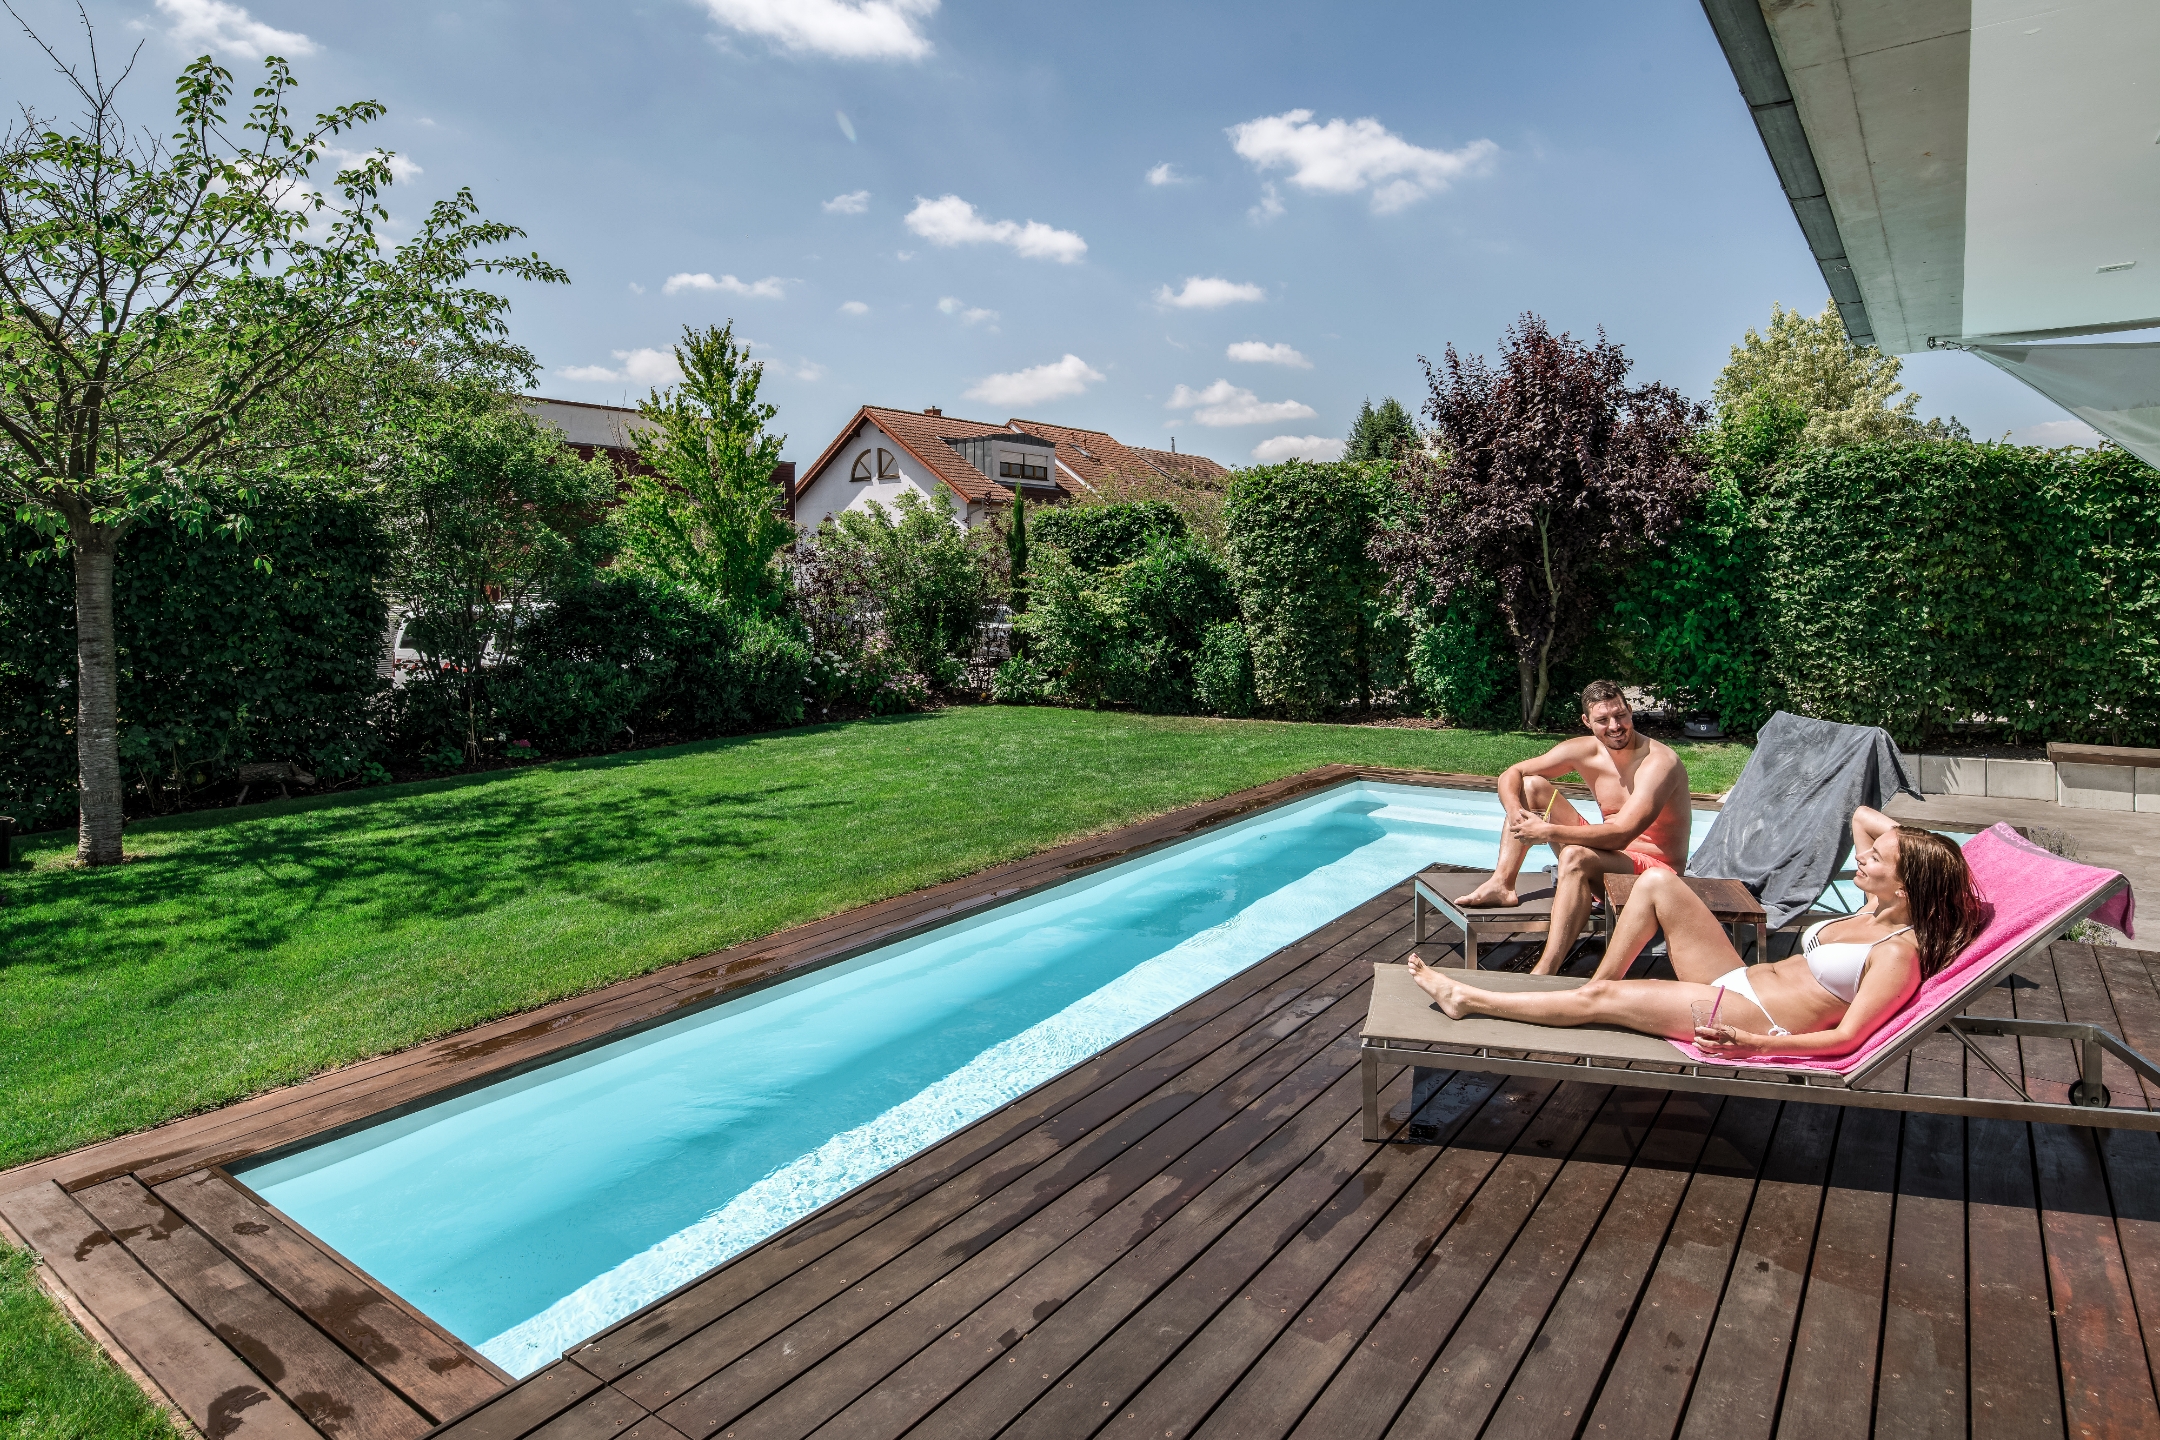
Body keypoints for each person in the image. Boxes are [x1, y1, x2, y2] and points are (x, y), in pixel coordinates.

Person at [1406, 807, 1988, 1058]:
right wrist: (1919, 853)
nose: (1861, 861)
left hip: (1752, 1017)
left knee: (1603, 998)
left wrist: (1758, 1046)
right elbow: (1863, 815)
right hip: (1734, 979)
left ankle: (1468, 999)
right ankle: (1593, 995)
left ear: (1907, 886)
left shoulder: (1897, 952)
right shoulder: (1876, 908)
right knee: (1657, 882)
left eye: (1877, 861)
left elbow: (1847, 1040)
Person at [1456, 679, 1693, 975]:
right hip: (1609, 855)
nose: (1615, 726)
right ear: (1587, 721)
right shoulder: (1585, 751)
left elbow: (1623, 833)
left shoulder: (1659, 762)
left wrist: (1549, 832)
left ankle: (1546, 969)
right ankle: (1502, 884)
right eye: (1603, 720)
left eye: (1620, 715)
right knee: (1530, 787)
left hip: (1656, 872)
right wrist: (1517, 812)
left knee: (1574, 856)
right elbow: (1512, 773)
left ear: (1631, 711)